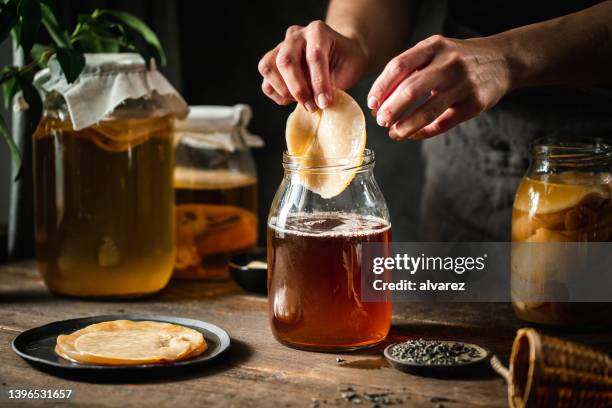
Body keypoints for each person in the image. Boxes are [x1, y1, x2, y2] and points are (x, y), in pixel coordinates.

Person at [258, 0, 612, 241]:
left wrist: (512, 56)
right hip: (469, 151)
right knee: (457, 327)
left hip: (600, 142)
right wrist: (353, 36)